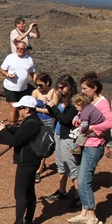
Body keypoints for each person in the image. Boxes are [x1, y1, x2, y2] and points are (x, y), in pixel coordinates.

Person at [67, 73, 112, 224]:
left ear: (94, 88)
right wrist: (77, 121)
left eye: (85, 88)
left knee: (84, 181)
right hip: (84, 144)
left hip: (94, 146)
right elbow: (78, 116)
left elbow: (111, 122)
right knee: (81, 178)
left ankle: (92, 219)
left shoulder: (102, 103)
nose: (82, 91)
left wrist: (91, 128)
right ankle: (84, 213)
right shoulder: (87, 102)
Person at [0, 95, 42, 224]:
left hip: (26, 162)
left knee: (20, 193)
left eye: (21, 108)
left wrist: (3, 130)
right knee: (29, 191)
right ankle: (28, 220)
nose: (19, 110)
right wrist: (8, 128)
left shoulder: (30, 124)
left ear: (27, 109)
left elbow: (15, 141)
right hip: (33, 161)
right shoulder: (34, 121)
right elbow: (21, 133)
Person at [44, 75, 81, 208]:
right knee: (61, 165)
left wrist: (53, 107)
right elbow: (56, 115)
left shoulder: (75, 101)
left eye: (62, 87)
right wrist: (50, 107)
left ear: (70, 86)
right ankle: (62, 191)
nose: (60, 90)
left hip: (68, 138)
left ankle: (79, 196)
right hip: (58, 134)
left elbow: (66, 120)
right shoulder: (63, 99)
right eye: (59, 87)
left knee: (71, 166)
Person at [0, 41, 37, 125]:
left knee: (20, 108)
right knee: (13, 108)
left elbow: (33, 73)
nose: (19, 50)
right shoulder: (10, 57)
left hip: (23, 88)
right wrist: (7, 75)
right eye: (18, 48)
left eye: (21, 49)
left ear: (25, 50)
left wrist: (37, 83)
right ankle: (12, 126)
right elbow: (2, 70)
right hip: (10, 87)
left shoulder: (29, 59)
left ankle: (15, 123)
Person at [32, 73, 56, 181]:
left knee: (44, 144)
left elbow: (52, 111)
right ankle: (39, 165)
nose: (39, 88)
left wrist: (37, 109)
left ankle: (38, 170)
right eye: (37, 85)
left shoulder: (53, 93)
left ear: (47, 83)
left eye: (41, 85)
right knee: (35, 143)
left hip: (48, 121)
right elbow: (31, 106)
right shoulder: (35, 92)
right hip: (37, 120)